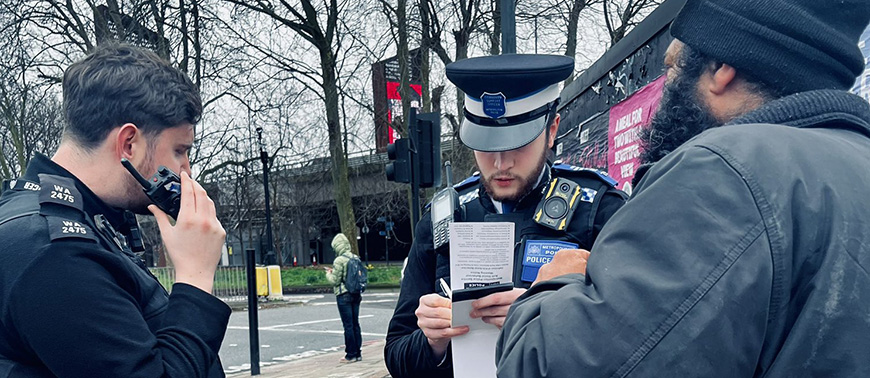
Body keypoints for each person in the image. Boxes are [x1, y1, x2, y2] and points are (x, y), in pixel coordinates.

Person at [497, 1, 870, 376]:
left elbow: (546, 366)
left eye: (672, 67)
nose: (664, 93)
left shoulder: (722, 170)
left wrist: (554, 286)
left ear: (721, 69)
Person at [385, 54, 629, 378]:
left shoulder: (599, 209)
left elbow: (642, 336)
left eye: (518, 143)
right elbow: (397, 355)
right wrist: (433, 342)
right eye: (487, 144)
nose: (501, 163)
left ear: (551, 130)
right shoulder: (443, 218)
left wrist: (548, 315)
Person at [0, 44, 229, 377]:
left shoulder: (72, 223)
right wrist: (194, 279)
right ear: (129, 144)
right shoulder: (55, 253)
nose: (187, 171)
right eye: (180, 151)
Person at [325, 233, 363, 363]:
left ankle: (350, 355)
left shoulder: (339, 260)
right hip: (356, 294)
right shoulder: (355, 258)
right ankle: (358, 353)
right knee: (355, 324)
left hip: (344, 295)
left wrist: (328, 274)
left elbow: (335, 281)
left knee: (348, 326)